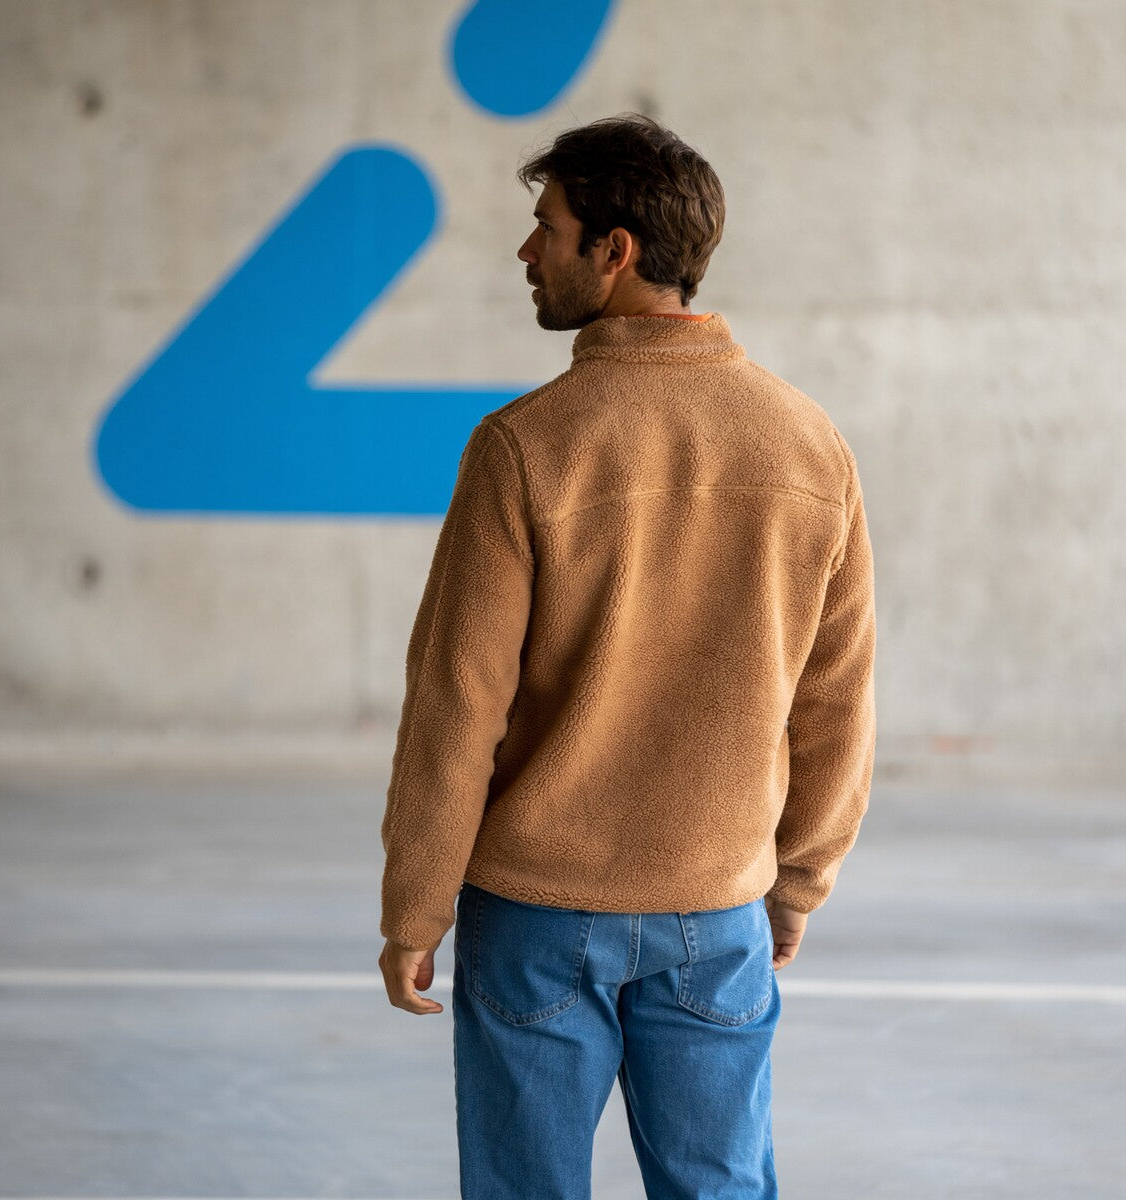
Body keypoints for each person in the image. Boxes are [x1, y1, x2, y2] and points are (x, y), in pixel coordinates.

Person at [377, 112, 877, 1199]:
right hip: (719, 909)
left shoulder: (524, 447)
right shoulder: (808, 444)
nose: (526, 253)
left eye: (544, 228)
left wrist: (415, 907)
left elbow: (458, 705)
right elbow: (836, 700)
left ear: (616, 251)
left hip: (535, 918)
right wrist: (796, 885)